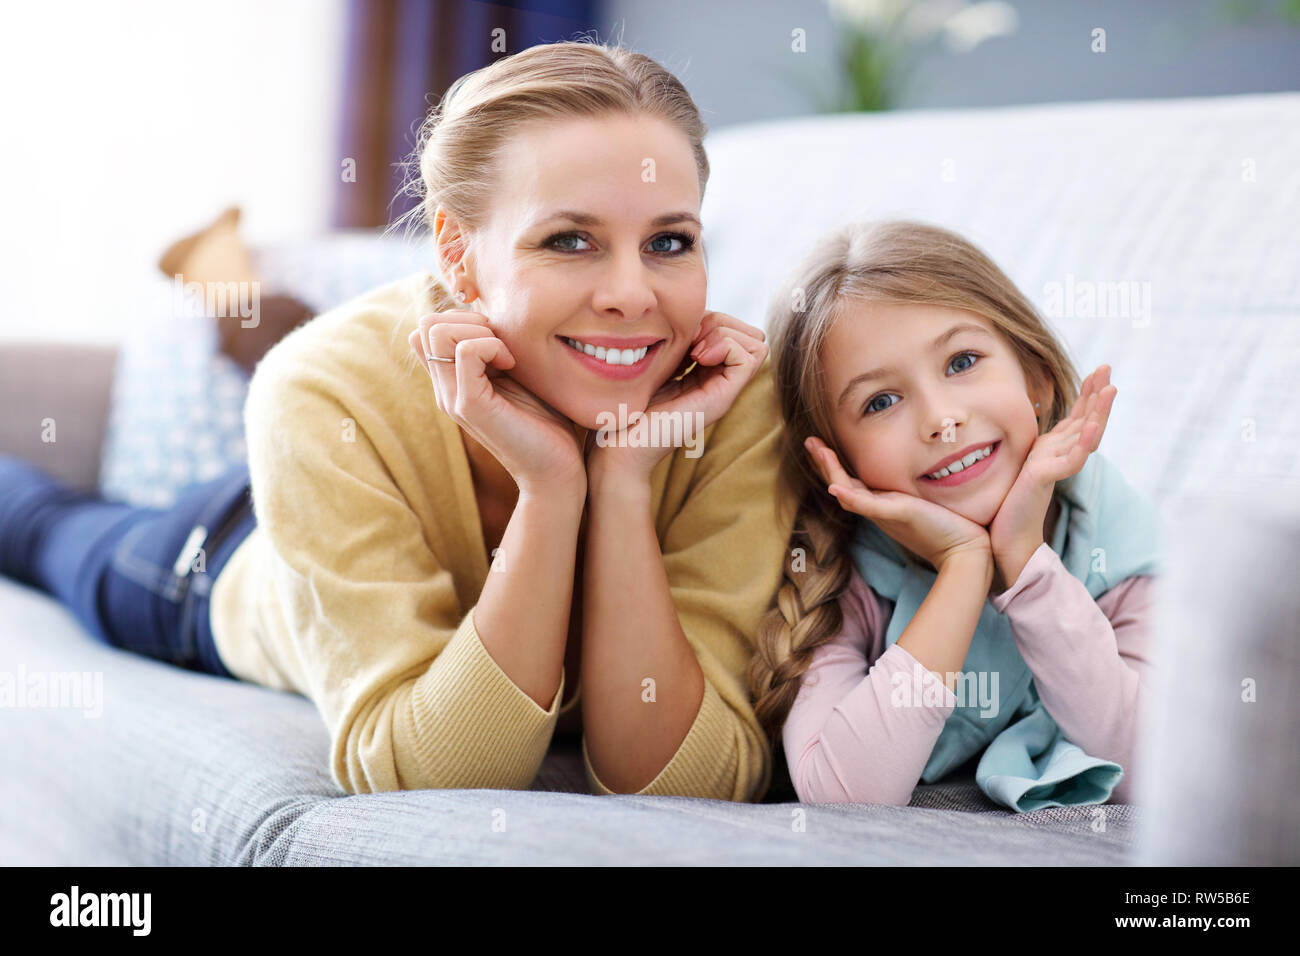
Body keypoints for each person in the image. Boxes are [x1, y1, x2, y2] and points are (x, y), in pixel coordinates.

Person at [0, 40, 798, 802]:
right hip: (227, 554)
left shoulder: (732, 401)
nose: (633, 294)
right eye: (569, 239)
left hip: (376, 437)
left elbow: (684, 779)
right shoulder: (322, 388)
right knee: (45, 526)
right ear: (456, 250)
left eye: (668, 241)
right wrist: (553, 491)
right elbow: (425, 774)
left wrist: (619, 486)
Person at [747, 220, 1163, 811]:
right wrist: (964, 565)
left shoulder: (1118, 547)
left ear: (1036, 378)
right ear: (838, 464)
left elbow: (1149, 773)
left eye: (962, 361)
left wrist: (1023, 563)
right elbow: (845, 799)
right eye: (881, 402)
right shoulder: (842, 578)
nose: (942, 418)